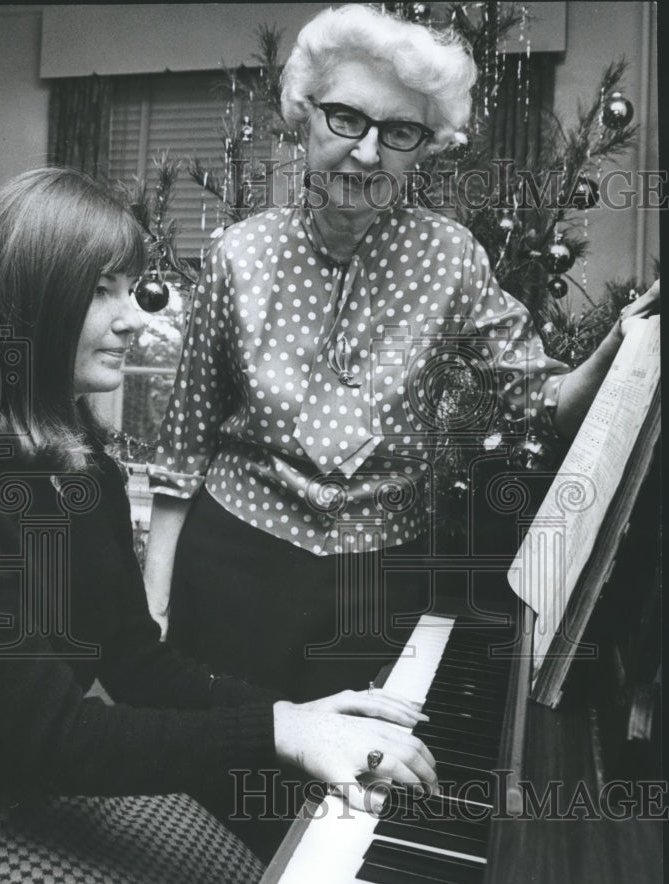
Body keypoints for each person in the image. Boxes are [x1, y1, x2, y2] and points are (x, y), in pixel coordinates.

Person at [0, 167, 439, 884]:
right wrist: (274, 734)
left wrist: (295, 714)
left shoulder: (77, 465)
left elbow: (138, 666)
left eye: (129, 289)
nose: (130, 318)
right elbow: (53, 738)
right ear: (28, 306)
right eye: (99, 292)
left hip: (45, 792)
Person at [144, 3, 657, 705]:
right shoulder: (242, 255)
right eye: (345, 117)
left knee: (337, 796)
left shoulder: (450, 258)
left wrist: (619, 345)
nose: (365, 151)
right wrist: (156, 596)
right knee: (214, 768)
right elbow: (183, 447)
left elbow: (541, 403)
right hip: (234, 559)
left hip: (375, 582)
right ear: (304, 114)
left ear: (427, 146)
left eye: (399, 132)